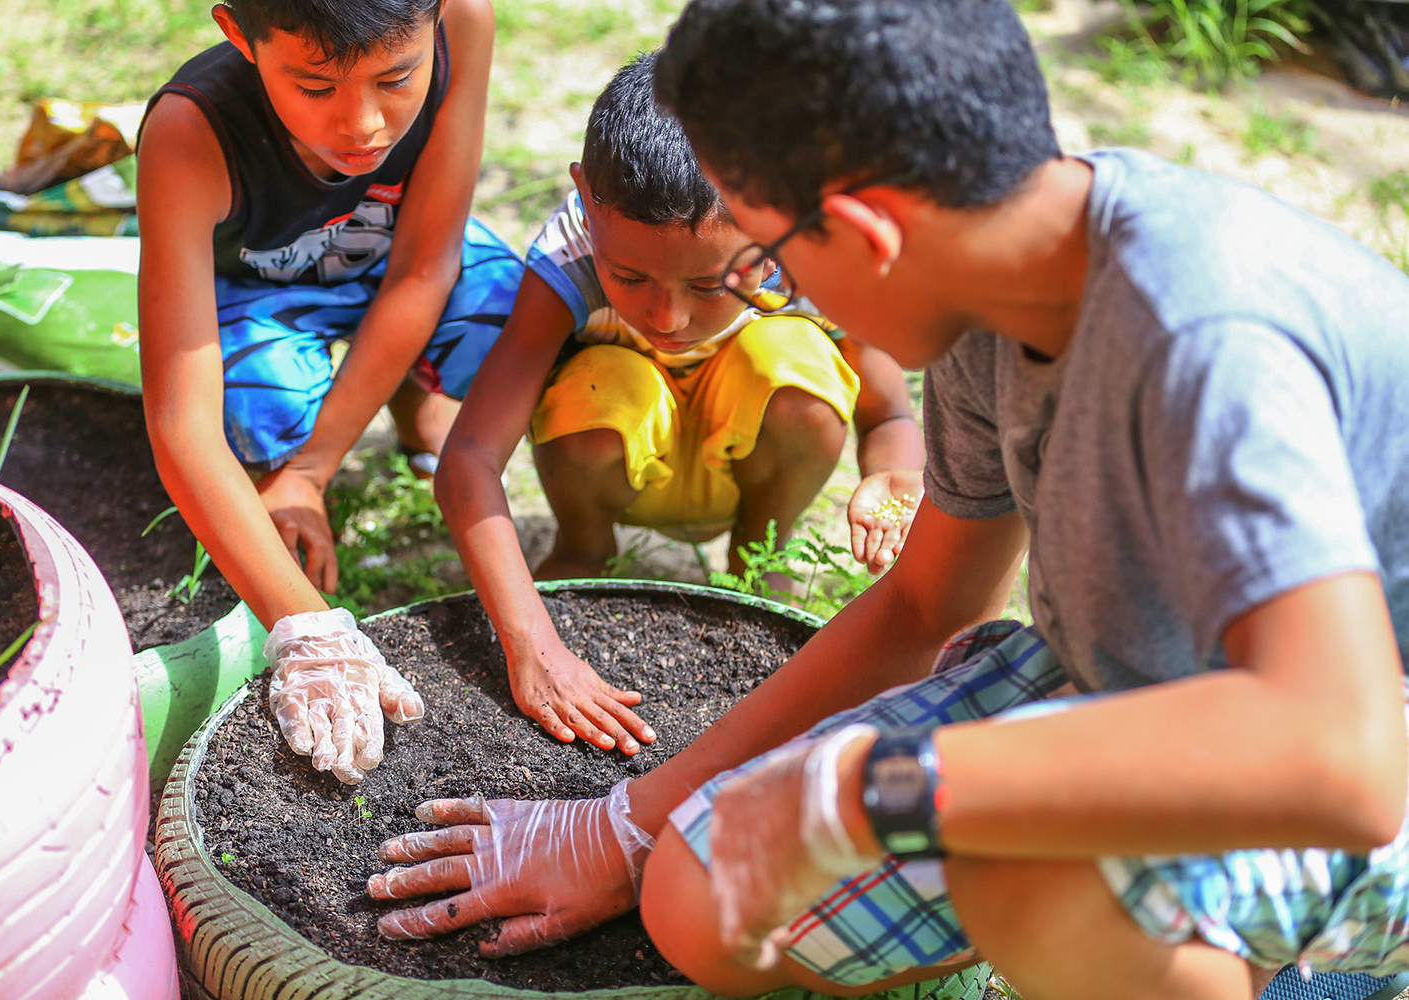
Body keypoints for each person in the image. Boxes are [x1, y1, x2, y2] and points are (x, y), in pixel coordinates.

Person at [359, 1, 1409, 997]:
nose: (773, 295)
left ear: (867, 233)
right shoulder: (985, 292)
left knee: (1035, 880)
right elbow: (926, 604)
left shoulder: (1203, 338)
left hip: (1359, 743)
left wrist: (864, 795)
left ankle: (1323, 967)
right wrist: (631, 819)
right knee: (700, 890)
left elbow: (1342, 757)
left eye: (768, 259)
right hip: (1137, 679)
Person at [433, 53, 924, 755]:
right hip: (623, 461)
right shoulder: (568, 254)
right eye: (628, 276)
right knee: (602, 379)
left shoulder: (813, 252)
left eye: (709, 283)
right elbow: (470, 460)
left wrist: (898, 475)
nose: (666, 315)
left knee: (789, 370)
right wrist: (530, 641)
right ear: (585, 195)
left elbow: (893, 415)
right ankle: (582, 552)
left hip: (750, 462)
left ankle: (760, 562)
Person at [136, 0, 523, 783]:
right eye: (315, 87)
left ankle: (416, 405)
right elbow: (183, 421)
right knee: (260, 412)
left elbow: (425, 265)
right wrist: (305, 628)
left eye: (398, 78)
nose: (365, 126)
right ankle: (309, 435)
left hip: (396, 262)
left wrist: (311, 473)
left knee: (517, 317)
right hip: (261, 296)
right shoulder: (190, 135)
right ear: (240, 34)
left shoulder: (464, 22)